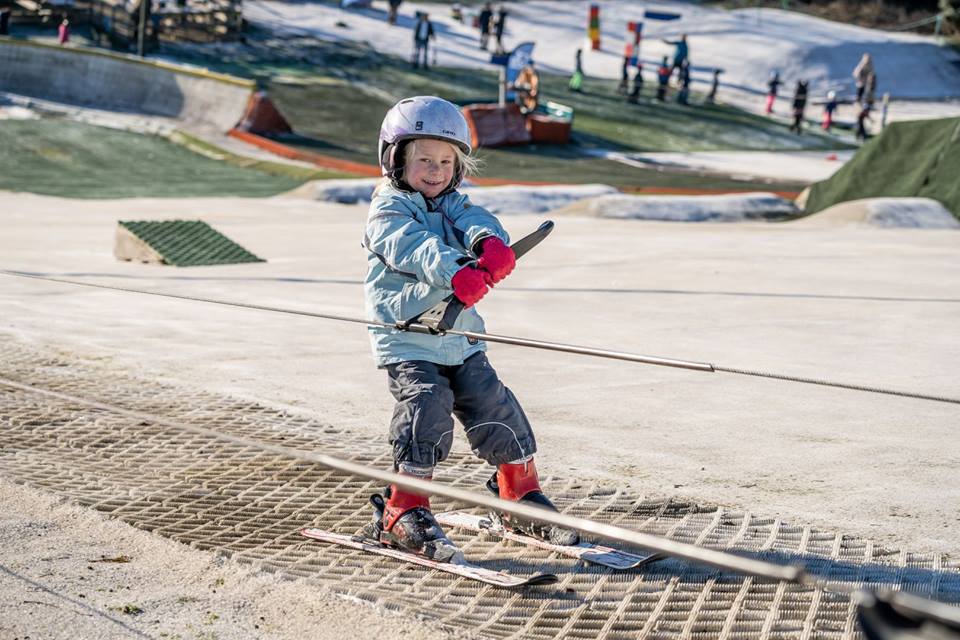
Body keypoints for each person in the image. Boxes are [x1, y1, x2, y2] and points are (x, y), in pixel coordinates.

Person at [360, 96, 580, 562]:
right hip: (408, 338)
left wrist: (489, 243)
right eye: (424, 160)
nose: (436, 171)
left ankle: (518, 493)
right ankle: (403, 508)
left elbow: (474, 218)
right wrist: (457, 269)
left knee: (495, 405)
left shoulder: (452, 202)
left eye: (446, 162)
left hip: (458, 337)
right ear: (395, 159)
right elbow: (413, 247)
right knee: (426, 408)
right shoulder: (388, 211)